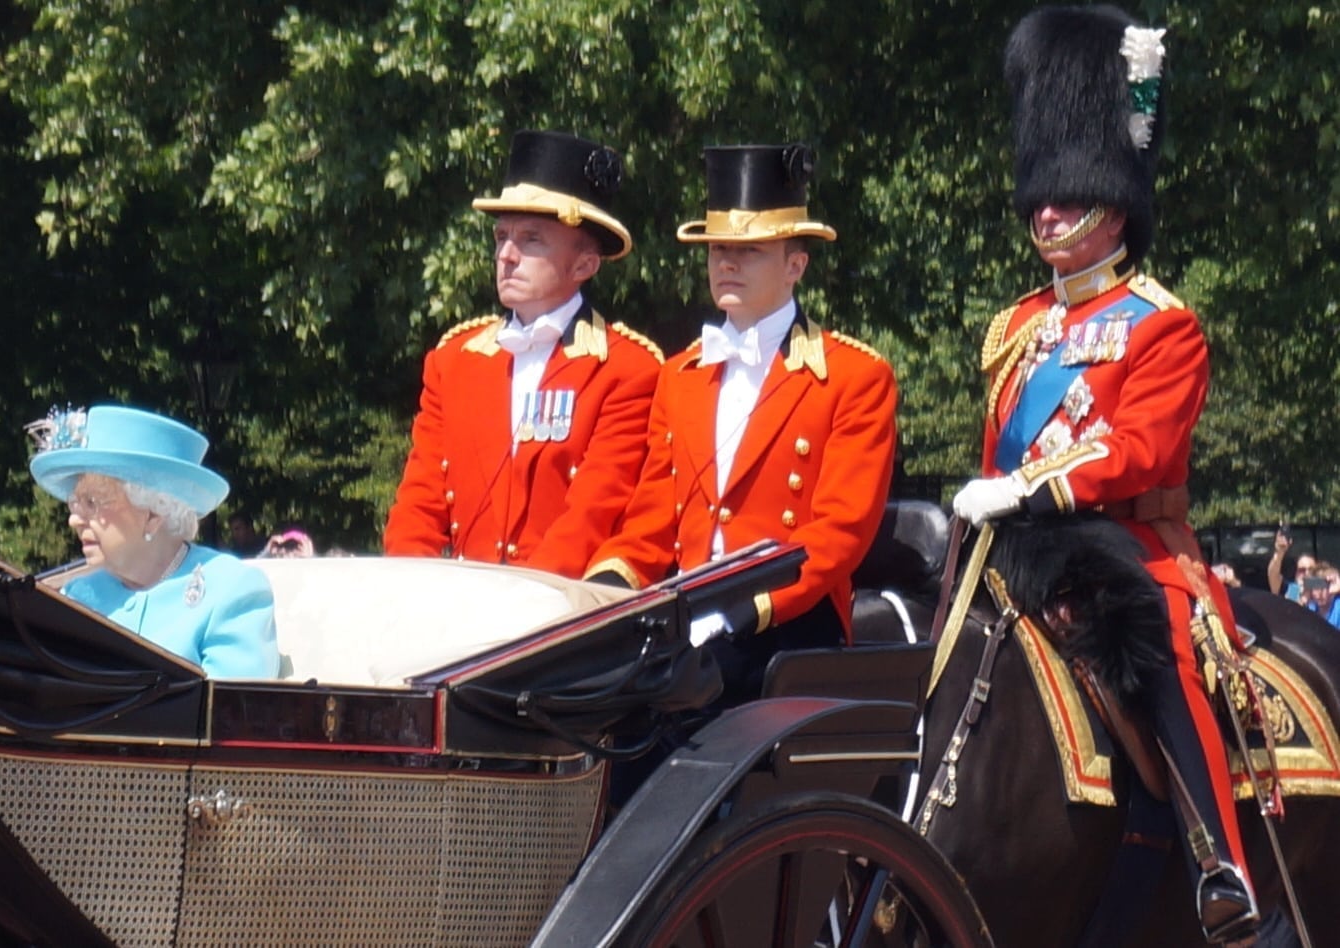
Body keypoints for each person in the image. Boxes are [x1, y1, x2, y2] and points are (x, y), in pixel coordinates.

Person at [949, 7, 1258, 941]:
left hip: (1125, 543)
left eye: (1066, 192)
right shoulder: (1013, 328)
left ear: (1112, 199)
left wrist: (1031, 487)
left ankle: (1220, 867)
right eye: (1038, 195)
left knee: (1158, 649)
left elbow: (1142, 450)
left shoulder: (1163, 324)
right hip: (1009, 546)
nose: (1046, 210)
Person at [584, 143, 898, 700]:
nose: (726, 263)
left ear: (795, 265)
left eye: (749, 251)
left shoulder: (854, 376)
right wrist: (609, 585)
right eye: (717, 249)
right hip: (688, 621)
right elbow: (655, 515)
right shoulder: (680, 375)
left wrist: (744, 606)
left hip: (789, 624)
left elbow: (839, 532)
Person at [383, 130, 663, 578]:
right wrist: (408, 589)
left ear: (584, 265)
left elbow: (591, 514)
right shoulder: (454, 361)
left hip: (564, 619)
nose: (507, 255)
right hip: (457, 616)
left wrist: (525, 612)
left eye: (532, 240)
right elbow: (419, 501)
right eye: (501, 237)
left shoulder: (627, 370)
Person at [27, 405, 280, 679]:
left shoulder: (231, 591)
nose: (74, 520)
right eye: (75, 503)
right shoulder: (78, 595)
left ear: (153, 514)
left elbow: (231, 714)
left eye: (92, 502)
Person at [1266, 526, 1313, 601]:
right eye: (1302, 570)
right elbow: (1273, 575)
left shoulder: (1323, 590)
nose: (1307, 573)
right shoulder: (1292, 589)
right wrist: (1280, 552)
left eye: (1311, 569)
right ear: (1296, 572)